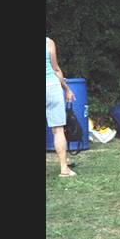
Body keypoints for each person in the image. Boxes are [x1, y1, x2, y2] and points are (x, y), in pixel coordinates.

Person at [46, 36, 77, 177]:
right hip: (52, 86)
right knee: (58, 130)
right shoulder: (48, 42)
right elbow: (56, 69)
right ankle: (64, 169)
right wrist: (67, 89)